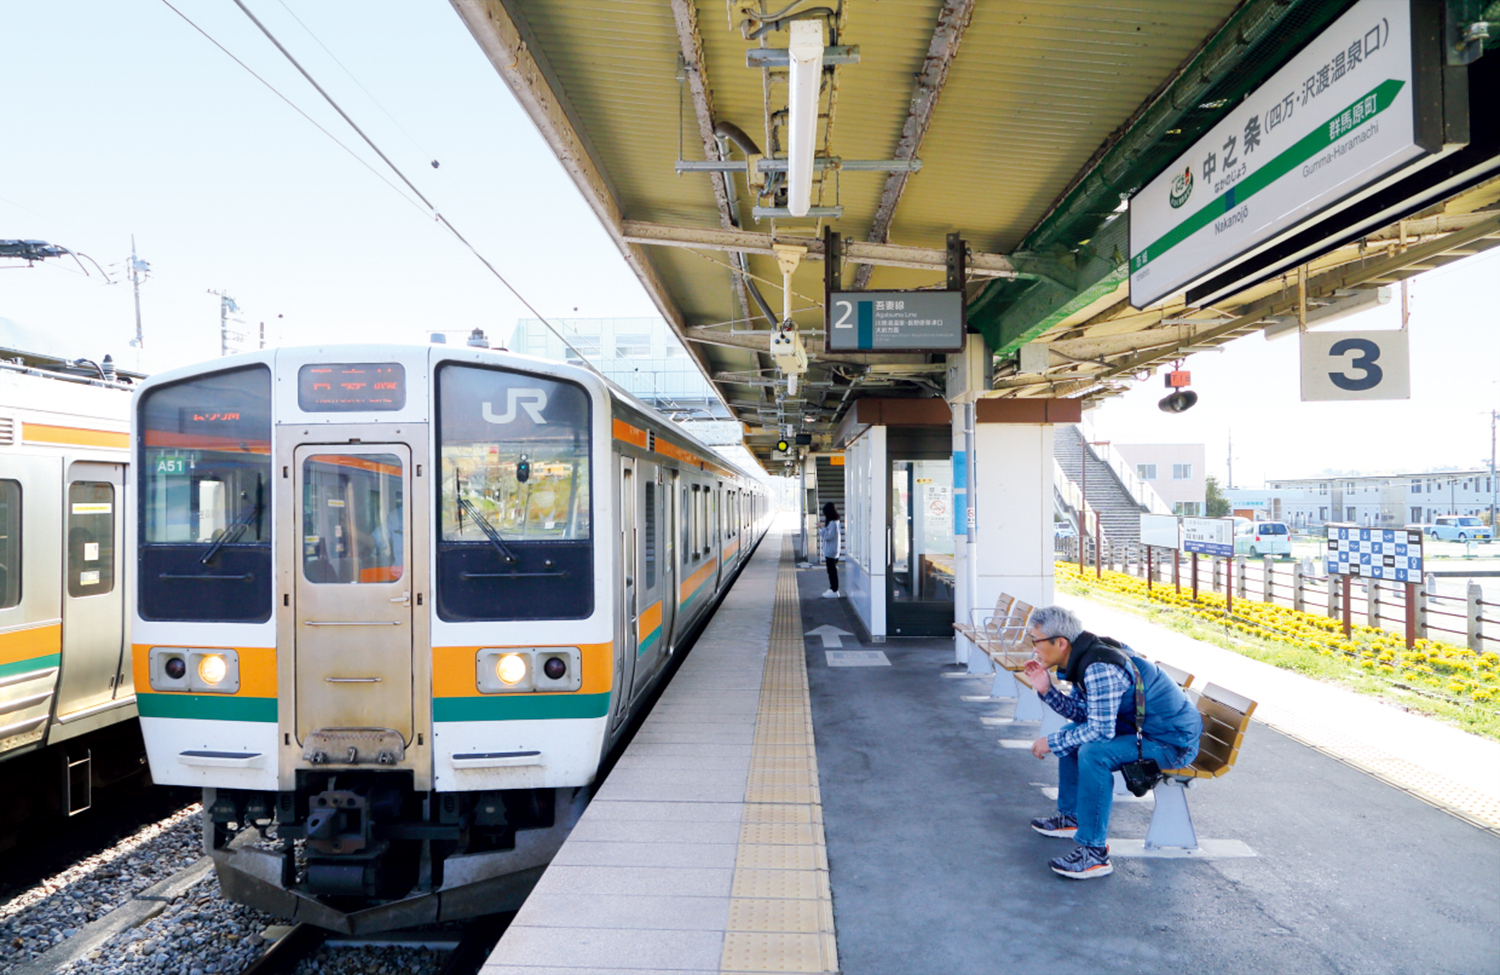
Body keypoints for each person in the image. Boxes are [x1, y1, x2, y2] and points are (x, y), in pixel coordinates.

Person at [1019, 605, 1202, 880]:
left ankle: (1094, 854)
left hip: (1172, 743)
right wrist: (1046, 689)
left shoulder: (1098, 667)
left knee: (1093, 752)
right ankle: (1071, 817)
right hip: (1147, 731)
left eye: (1036, 641)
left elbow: (1100, 731)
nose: (1033, 649)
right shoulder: (1084, 657)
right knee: (1074, 735)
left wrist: (1053, 742)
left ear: (1060, 643)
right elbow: (1084, 715)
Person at [818, 502, 841, 598]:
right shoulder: (836, 522)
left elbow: (828, 536)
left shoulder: (832, 523)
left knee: (831, 571)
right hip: (834, 550)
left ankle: (834, 590)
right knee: (832, 571)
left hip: (831, 551)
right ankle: (833, 589)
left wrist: (821, 528)